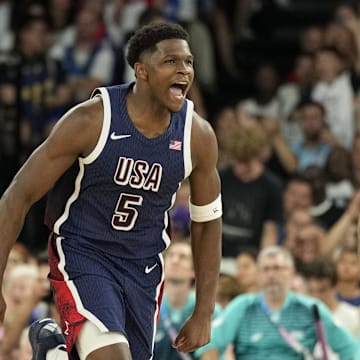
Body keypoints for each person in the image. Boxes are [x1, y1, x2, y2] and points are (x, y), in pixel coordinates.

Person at [0, 22, 222, 360]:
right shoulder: (92, 120)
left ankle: (55, 354)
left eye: (189, 62)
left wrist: (205, 309)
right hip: (83, 253)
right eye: (171, 62)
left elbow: (207, 221)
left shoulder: (198, 136)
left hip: (144, 266)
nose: (184, 71)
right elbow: (18, 195)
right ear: (142, 72)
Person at [195, 246, 357, 359]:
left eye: (278, 268)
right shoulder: (242, 306)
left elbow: (351, 348)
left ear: (292, 273)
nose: (272, 275)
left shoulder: (311, 308)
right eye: (266, 269)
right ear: (258, 275)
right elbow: (210, 343)